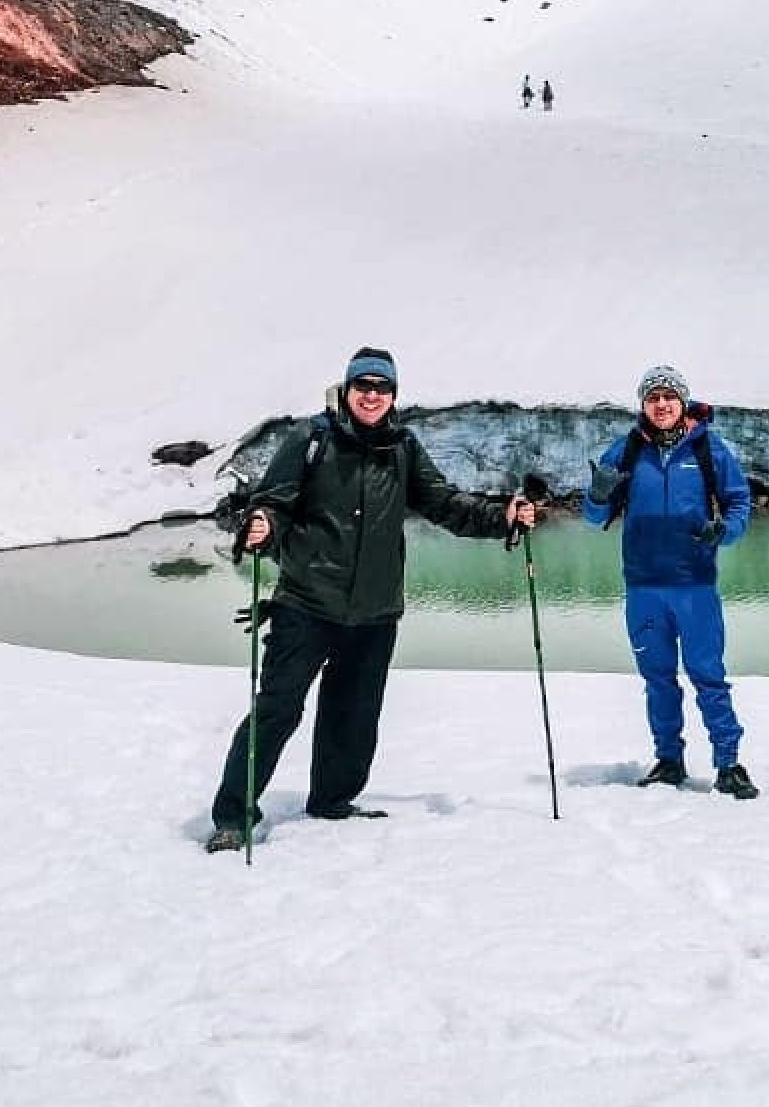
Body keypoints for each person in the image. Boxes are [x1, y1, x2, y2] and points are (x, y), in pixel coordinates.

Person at [205, 347, 534, 852]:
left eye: (382, 388)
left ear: (394, 396)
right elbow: (274, 502)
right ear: (347, 390)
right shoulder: (311, 439)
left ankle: (333, 801)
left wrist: (502, 517)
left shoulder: (402, 448)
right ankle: (233, 816)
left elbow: (443, 504)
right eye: (364, 386)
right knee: (277, 710)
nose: (372, 396)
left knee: (354, 714)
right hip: (306, 604)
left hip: (375, 613)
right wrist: (265, 525)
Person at [583, 365, 758, 797]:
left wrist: (725, 531)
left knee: (708, 675)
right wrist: (598, 494)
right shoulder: (625, 452)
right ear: (643, 405)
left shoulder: (708, 450)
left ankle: (728, 763)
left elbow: (739, 502)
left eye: (669, 397)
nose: (661, 405)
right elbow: (594, 517)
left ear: (682, 403)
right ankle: (668, 760)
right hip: (643, 586)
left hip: (694, 584)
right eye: (652, 398)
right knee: (658, 678)